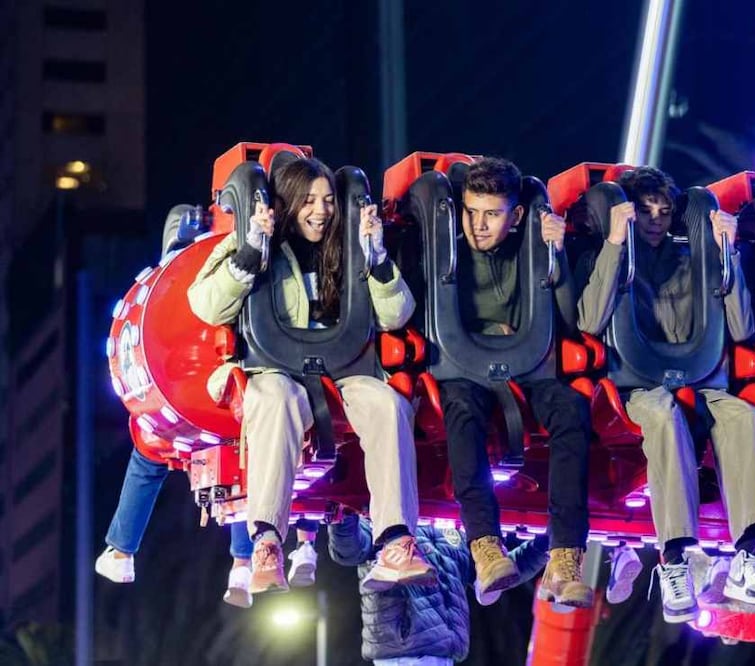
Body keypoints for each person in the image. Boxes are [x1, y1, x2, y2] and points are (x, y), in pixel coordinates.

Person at [187, 157, 433, 594]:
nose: (321, 211)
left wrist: (376, 258)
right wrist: (248, 251)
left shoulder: (349, 244)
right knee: (273, 398)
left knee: (387, 405)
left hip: (344, 368)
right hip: (277, 366)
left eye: (327, 201)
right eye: (308, 201)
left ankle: (395, 540)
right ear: (285, 204)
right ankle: (266, 540)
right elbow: (206, 305)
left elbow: (397, 315)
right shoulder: (257, 238)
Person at [575, 166, 755, 623]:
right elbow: (589, 321)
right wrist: (615, 244)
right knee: (664, 414)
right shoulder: (608, 254)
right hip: (636, 387)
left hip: (701, 380)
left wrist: (724, 254)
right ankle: (674, 563)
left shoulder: (693, 256)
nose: (655, 219)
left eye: (664, 210)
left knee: (744, 417)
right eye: (645, 210)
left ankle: (748, 556)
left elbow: (743, 327)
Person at [438, 157, 593, 607]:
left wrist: (557, 256)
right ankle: (486, 547)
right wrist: (488, 335)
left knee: (571, 411)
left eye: (492, 214)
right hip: (466, 366)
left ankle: (565, 558)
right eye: (471, 212)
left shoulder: (531, 241)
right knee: (461, 410)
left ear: (517, 214)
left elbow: (566, 318)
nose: (478, 226)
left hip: (528, 367)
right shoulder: (449, 246)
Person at [329, 512, 549, 666]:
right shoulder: (382, 518)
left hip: (445, 654)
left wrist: (547, 543)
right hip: (404, 655)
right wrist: (342, 512)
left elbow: (498, 573)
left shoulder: (454, 529)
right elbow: (349, 550)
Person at [95, 446, 263, 607]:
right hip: (233, 425)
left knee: (147, 458)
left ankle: (122, 554)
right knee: (242, 462)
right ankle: (241, 569)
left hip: (188, 423)